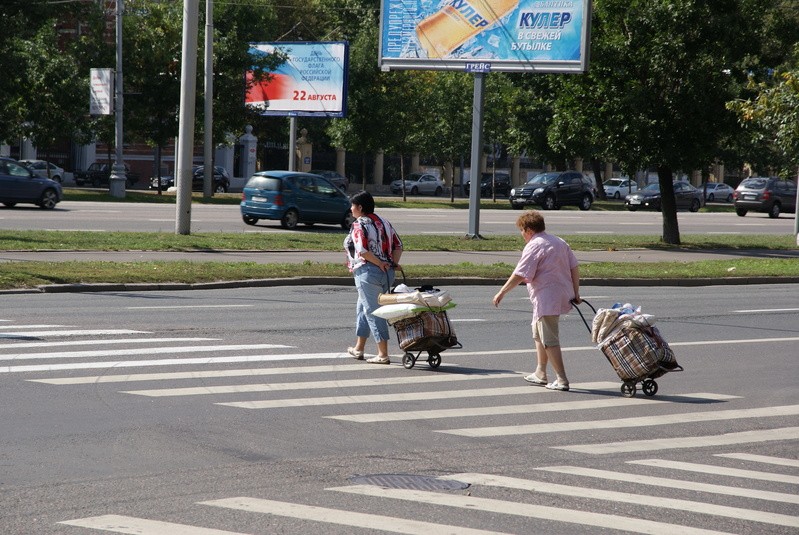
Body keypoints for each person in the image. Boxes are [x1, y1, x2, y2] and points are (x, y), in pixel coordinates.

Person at [492, 210, 581, 391]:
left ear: (529, 230)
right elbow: (575, 267)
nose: (521, 234)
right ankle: (540, 372)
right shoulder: (559, 242)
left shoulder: (535, 245)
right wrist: (576, 293)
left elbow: (520, 274)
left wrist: (502, 292)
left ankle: (562, 379)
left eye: (522, 230)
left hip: (547, 297)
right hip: (559, 294)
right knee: (538, 333)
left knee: (549, 338)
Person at [344, 191, 403, 364]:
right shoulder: (384, 222)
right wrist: (391, 263)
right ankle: (359, 348)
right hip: (386, 273)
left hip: (368, 272)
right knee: (362, 308)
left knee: (373, 311)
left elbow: (362, 251)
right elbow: (398, 245)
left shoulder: (358, 225)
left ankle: (383, 354)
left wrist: (378, 263)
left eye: (353, 205)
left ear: (360, 208)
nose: (351, 208)